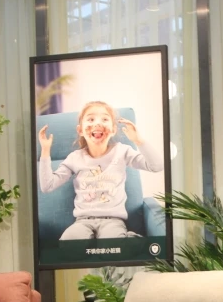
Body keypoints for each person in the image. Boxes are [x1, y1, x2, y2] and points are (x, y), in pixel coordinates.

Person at [38, 100, 163, 240]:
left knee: (113, 244)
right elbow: (47, 186)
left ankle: (129, 239)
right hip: (82, 221)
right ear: (80, 130)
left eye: (104, 119)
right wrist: (45, 151)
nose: (97, 123)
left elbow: (157, 166)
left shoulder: (122, 151)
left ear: (113, 129)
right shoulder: (74, 158)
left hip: (113, 220)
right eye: (91, 119)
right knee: (68, 245)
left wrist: (138, 140)